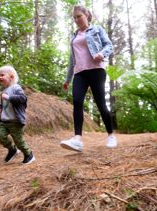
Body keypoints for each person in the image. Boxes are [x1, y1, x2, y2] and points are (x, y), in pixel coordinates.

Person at [60, 5, 117, 152]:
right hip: (79, 73)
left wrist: (102, 54)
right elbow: (72, 60)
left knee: (100, 103)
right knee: (77, 102)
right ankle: (77, 139)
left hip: (96, 70)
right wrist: (67, 79)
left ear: (87, 15)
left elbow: (109, 45)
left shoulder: (96, 29)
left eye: (79, 16)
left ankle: (111, 134)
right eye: (74, 18)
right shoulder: (74, 36)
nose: (77, 20)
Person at [0, 65, 35, 164]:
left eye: (2, 75)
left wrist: (9, 98)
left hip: (15, 121)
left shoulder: (16, 88)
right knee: (0, 135)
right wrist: (0, 107)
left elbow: (22, 99)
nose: (0, 77)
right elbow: (4, 103)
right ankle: (12, 149)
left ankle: (29, 155)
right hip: (5, 120)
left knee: (19, 141)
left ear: (11, 77)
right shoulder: (4, 91)